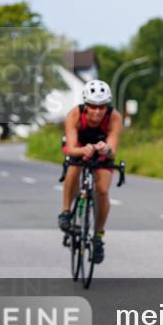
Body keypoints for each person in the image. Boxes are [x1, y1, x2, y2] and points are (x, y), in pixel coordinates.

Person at [58, 80, 123, 264]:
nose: (97, 111)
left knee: (102, 190)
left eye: (102, 106)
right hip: (79, 147)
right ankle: (65, 212)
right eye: (93, 106)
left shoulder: (114, 117)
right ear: (86, 105)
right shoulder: (75, 115)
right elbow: (71, 148)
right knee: (75, 166)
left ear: (107, 106)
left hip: (102, 151)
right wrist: (83, 150)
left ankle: (98, 237)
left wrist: (106, 149)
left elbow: (113, 150)